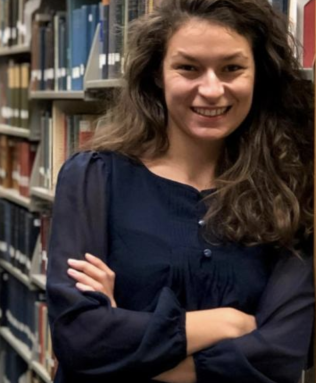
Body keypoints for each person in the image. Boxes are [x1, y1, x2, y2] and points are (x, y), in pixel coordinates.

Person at [46, 0, 315, 382]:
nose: (211, 89)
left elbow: (281, 355)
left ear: (259, 75)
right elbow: (78, 339)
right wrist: (226, 324)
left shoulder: (289, 191)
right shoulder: (94, 177)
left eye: (232, 68)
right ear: (158, 73)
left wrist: (127, 343)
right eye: (188, 68)